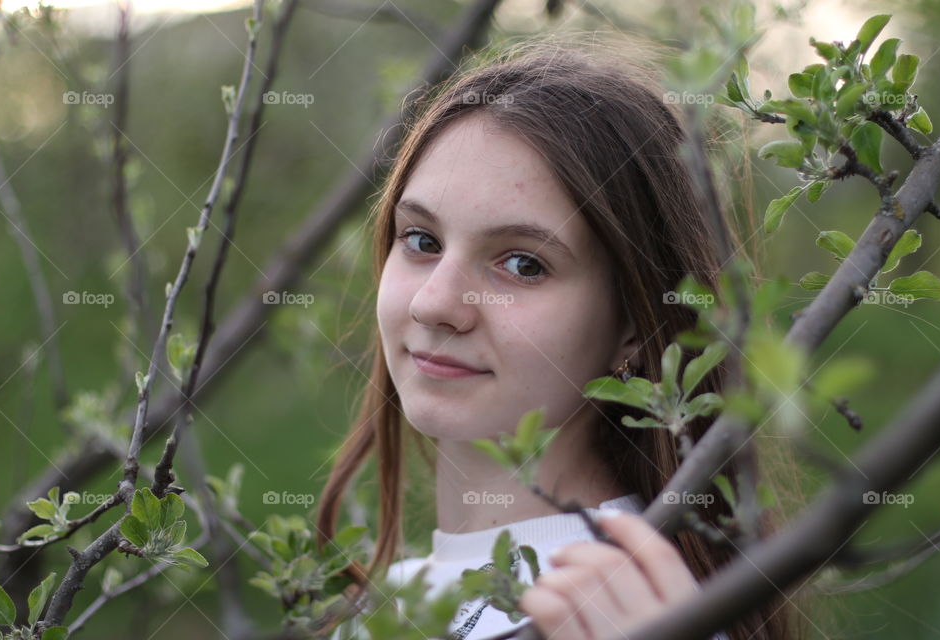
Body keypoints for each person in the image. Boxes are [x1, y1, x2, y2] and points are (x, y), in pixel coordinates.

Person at [316, 35, 801, 640]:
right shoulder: (381, 613)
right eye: (421, 241)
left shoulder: (639, 618)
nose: (434, 303)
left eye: (522, 264)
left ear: (632, 326)